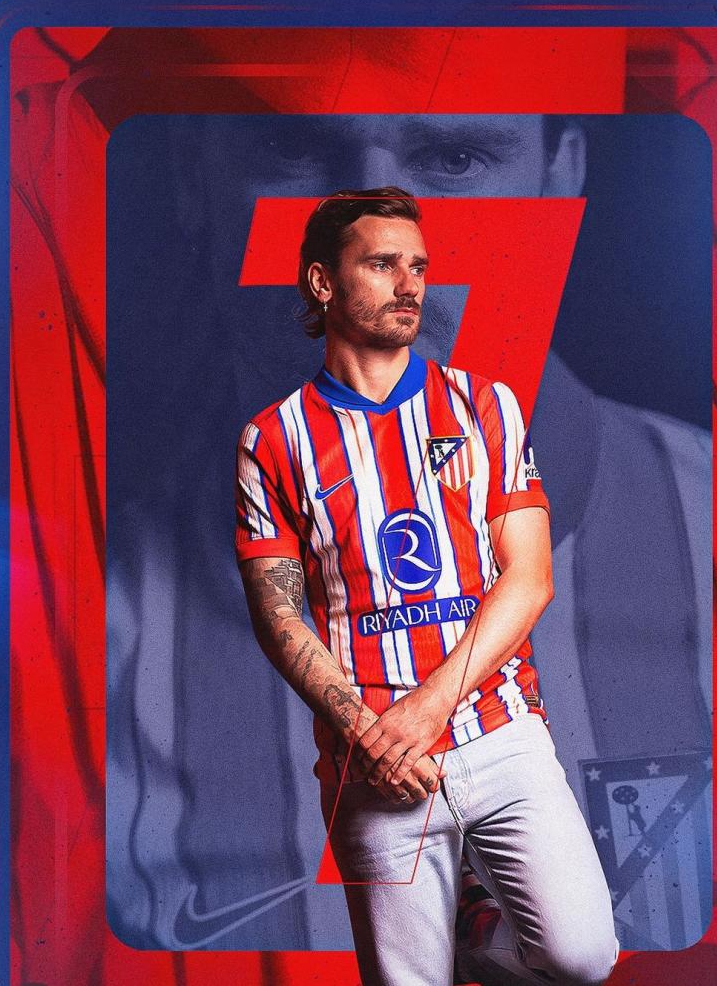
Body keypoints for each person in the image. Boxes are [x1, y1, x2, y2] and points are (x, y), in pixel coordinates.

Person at [234, 187, 619, 985]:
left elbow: (530, 577)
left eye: (417, 265)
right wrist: (370, 734)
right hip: (373, 763)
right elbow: (278, 613)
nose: (409, 283)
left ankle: (470, 932)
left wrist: (429, 707)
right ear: (322, 282)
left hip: (498, 731)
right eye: (382, 264)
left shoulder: (485, 404)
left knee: (580, 956)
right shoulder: (273, 438)